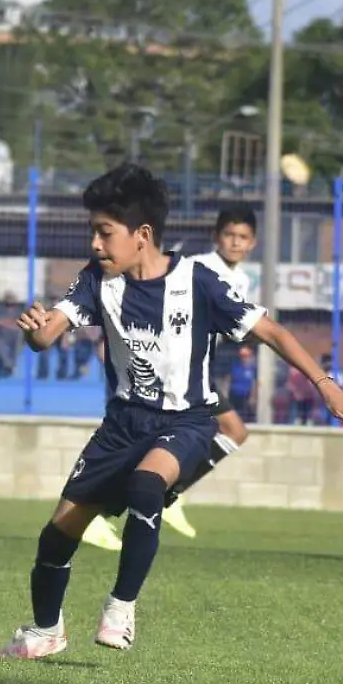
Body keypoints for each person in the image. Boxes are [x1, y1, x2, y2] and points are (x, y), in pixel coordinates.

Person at [0, 164, 343, 658]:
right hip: (121, 425)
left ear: (142, 235)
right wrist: (33, 328)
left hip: (187, 421)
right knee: (57, 535)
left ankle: (121, 606)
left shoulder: (199, 280)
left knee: (147, 486)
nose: (96, 245)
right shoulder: (96, 280)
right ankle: (45, 632)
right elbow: (46, 336)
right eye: (93, 233)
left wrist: (327, 387)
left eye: (105, 233)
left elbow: (270, 331)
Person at [81, 205, 260, 550]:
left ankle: (161, 495)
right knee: (230, 431)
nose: (236, 243)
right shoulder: (204, 267)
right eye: (229, 235)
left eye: (243, 238)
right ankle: (120, 509)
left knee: (231, 432)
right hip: (174, 373)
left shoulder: (240, 277)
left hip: (193, 372)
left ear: (253, 243)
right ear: (216, 237)